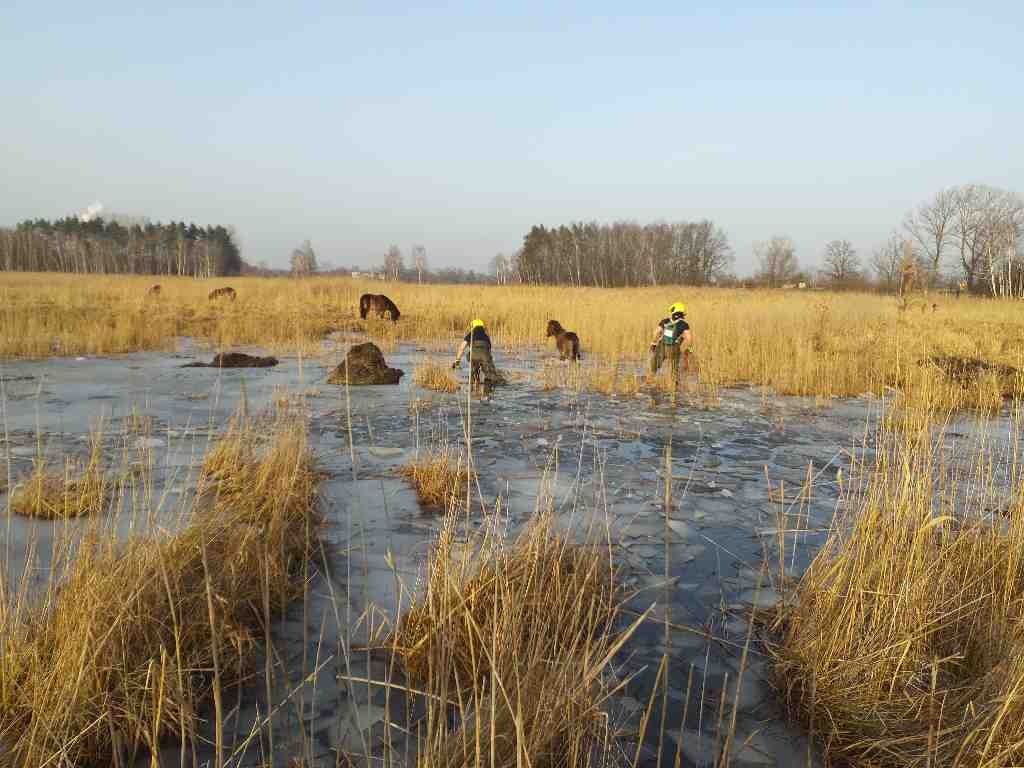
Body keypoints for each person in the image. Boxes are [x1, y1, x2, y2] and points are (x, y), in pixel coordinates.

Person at [453, 319, 506, 392]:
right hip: (485, 356)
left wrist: (457, 361)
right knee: (490, 377)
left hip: (473, 356)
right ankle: (488, 394)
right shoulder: (486, 336)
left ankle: (473, 393)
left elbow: (461, 348)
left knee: (473, 376)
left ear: (473, 326)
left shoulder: (470, 334)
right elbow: (489, 351)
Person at [650, 302, 692, 386]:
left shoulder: (665, 321)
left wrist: (653, 343)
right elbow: (689, 338)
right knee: (674, 370)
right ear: (682, 313)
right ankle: (674, 388)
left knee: (653, 368)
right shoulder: (684, 324)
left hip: (662, 346)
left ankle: (650, 381)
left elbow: (656, 332)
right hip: (674, 349)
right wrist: (689, 349)